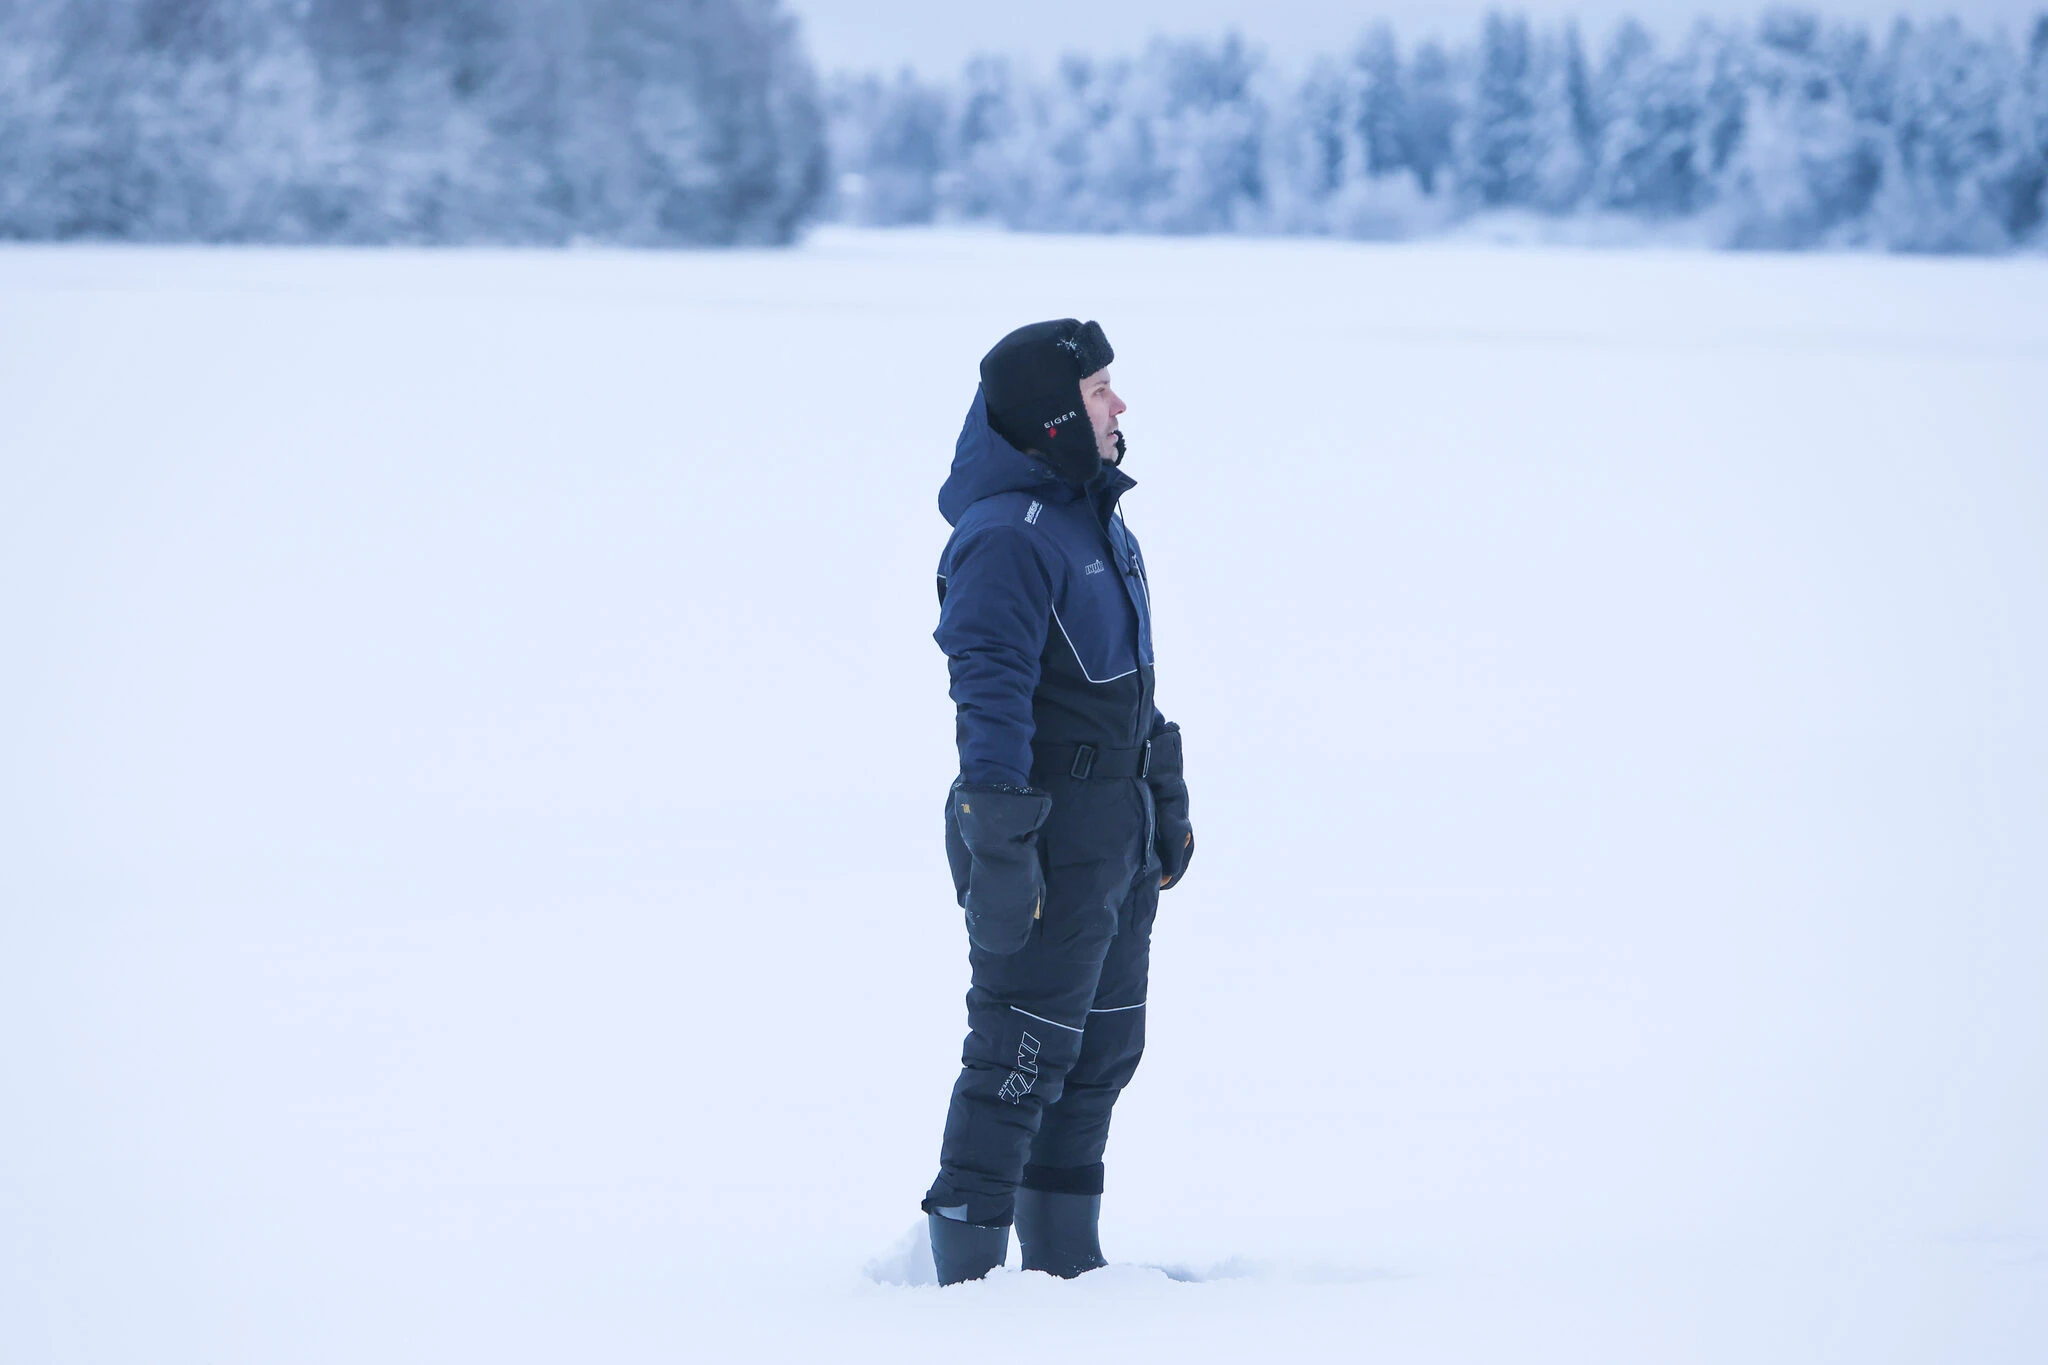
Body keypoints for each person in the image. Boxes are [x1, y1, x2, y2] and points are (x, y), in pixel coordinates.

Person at [923, 319, 1194, 1285]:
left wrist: (1160, 782)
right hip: (1044, 831)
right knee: (1020, 1057)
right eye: (1097, 390)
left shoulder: (1095, 519)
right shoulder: (1007, 536)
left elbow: (1129, 683)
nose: (1118, 405)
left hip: (1115, 829)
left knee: (1103, 1047)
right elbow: (987, 691)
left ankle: (1066, 1270)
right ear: (1052, 417)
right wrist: (1000, 845)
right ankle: (964, 1285)